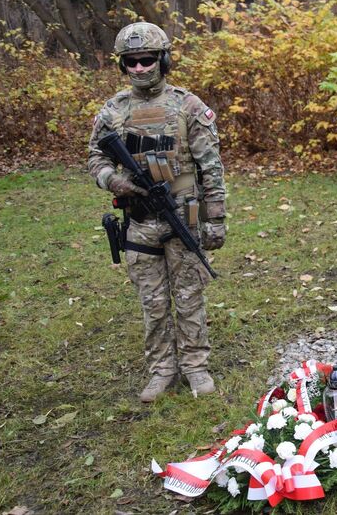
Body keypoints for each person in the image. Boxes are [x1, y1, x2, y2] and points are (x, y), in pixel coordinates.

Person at [88, 22, 227, 401]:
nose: (139, 68)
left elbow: (210, 167)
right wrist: (112, 181)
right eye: (130, 62)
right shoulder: (113, 110)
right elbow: (95, 157)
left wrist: (215, 220)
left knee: (189, 296)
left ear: (163, 60)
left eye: (146, 59)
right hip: (138, 221)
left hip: (183, 214)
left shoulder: (188, 105)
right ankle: (162, 369)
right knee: (152, 302)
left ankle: (195, 367)